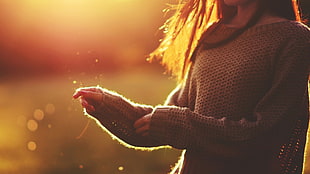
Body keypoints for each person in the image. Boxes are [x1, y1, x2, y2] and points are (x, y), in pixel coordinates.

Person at [73, 0, 310, 173]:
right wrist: (110, 106)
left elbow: (267, 134)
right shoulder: (214, 34)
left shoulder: (294, 39)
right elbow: (163, 122)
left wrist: (179, 125)